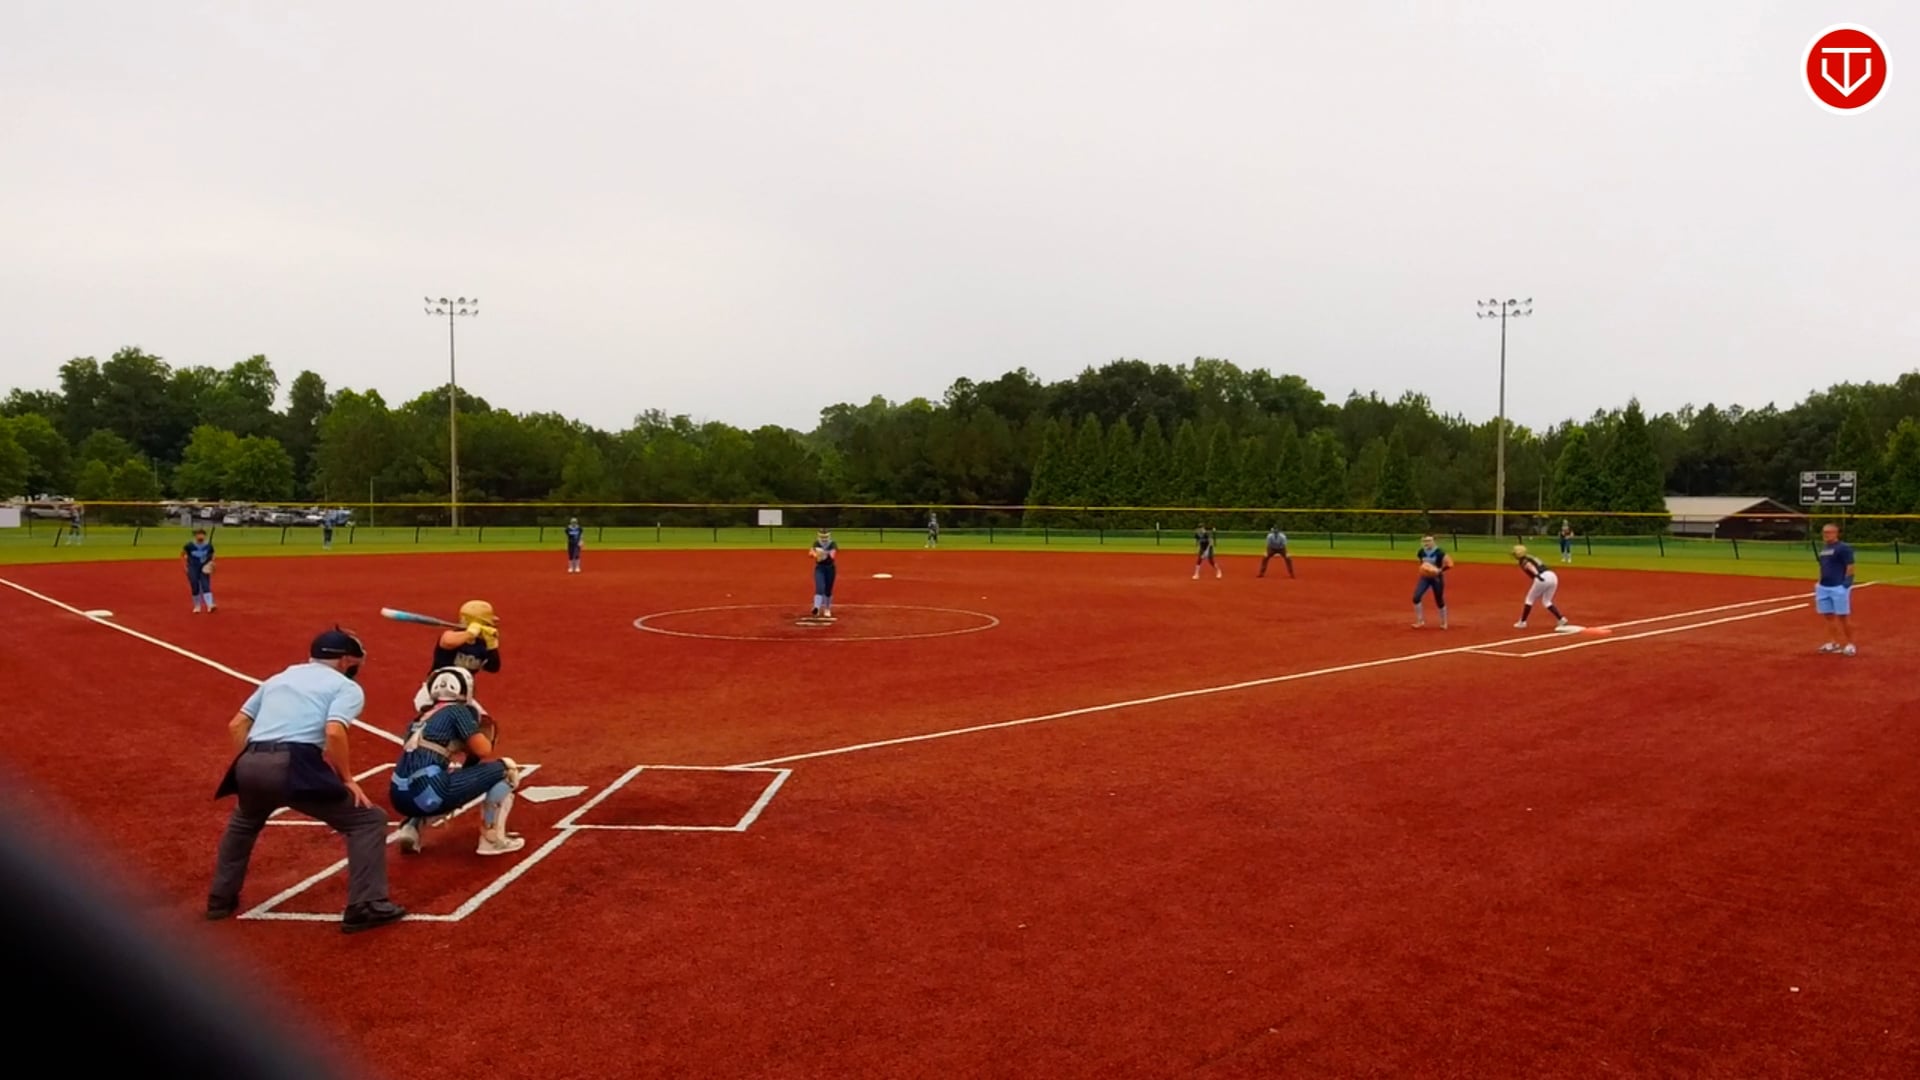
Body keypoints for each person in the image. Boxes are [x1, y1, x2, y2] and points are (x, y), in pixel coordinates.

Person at [207, 628, 404, 934]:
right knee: (367, 820)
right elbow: (334, 731)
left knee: (244, 824)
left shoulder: (278, 679)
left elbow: (237, 725)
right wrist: (347, 779)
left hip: (249, 762)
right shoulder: (345, 687)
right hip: (294, 762)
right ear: (345, 660)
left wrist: (256, 762)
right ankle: (366, 905)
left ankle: (220, 900)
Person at [391, 668, 524, 856]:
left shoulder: (420, 718)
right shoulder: (457, 711)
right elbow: (483, 750)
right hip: (430, 793)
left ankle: (411, 827)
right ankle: (491, 839)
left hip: (398, 795)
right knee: (507, 770)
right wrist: (486, 737)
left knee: (434, 778)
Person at [411, 600, 501, 716]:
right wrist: (470, 633)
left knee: (484, 721)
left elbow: (493, 667)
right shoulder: (452, 635)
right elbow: (447, 642)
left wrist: (492, 646)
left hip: (461, 697)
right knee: (442, 722)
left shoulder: (482, 644)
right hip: (436, 693)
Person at [1814, 522, 1856, 656]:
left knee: (1843, 616)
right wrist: (1819, 582)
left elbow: (1850, 566)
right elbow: (1823, 566)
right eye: (1824, 532)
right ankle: (1833, 643)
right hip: (1823, 587)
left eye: (1828, 532)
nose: (1825, 535)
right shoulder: (1824, 549)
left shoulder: (1843, 548)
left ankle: (1850, 643)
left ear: (1836, 533)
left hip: (1838, 586)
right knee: (1828, 616)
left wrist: (1846, 584)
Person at [1512, 545, 1570, 629]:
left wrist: (1537, 575)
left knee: (1529, 599)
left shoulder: (1523, 561)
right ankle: (1561, 619)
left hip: (1541, 577)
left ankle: (1522, 622)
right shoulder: (1531, 557)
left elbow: (1530, 566)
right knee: (1546, 601)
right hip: (1552, 575)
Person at [1412, 535, 1452, 629]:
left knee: (1439, 599)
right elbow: (1422, 564)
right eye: (1425, 541)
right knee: (1416, 597)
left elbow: (1450, 564)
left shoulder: (1440, 552)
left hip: (1437, 578)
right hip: (1425, 578)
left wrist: (1439, 571)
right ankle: (1420, 621)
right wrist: (1424, 570)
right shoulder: (1421, 552)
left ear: (1433, 542)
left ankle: (1444, 622)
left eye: (1429, 541)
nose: (1427, 543)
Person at [183, 528, 216, 613]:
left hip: (204, 567)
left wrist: (212, 563)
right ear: (195, 536)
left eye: (202, 534)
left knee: (205, 585)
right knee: (195, 586)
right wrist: (185, 565)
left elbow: (212, 554)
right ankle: (197, 606)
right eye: (199, 534)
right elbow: (183, 554)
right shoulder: (189, 545)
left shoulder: (208, 546)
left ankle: (210, 605)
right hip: (193, 567)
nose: (201, 536)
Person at [811, 528, 839, 619]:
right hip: (820, 568)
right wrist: (814, 554)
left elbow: (832, 555)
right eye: (822, 537)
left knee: (828, 590)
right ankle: (816, 607)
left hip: (830, 569)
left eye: (825, 537)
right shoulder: (816, 543)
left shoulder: (832, 544)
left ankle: (827, 608)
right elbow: (811, 552)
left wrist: (822, 554)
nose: (824, 539)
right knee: (819, 587)